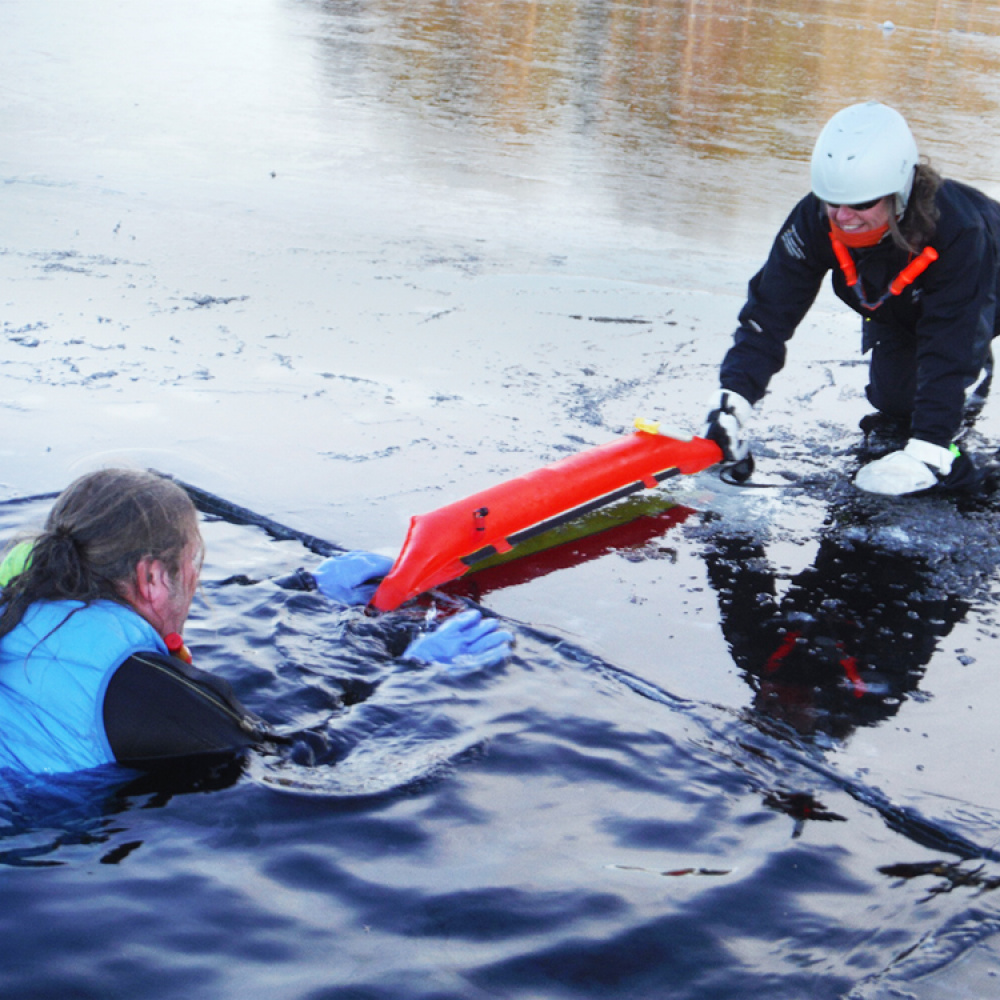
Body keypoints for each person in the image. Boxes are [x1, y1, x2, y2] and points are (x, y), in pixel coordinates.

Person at [0, 469, 512, 775]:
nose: (196, 586)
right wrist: (419, 676)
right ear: (153, 577)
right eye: (192, 565)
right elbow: (292, 765)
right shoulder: (140, 686)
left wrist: (305, 587)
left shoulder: (17, 592)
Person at [703, 101, 1000, 496]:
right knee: (894, 402)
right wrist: (733, 400)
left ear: (899, 192)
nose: (843, 216)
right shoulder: (814, 219)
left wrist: (931, 449)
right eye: (832, 201)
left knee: (939, 417)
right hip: (901, 305)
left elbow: (952, 340)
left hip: (979, 294)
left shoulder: (960, 231)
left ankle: (975, 412)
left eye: (862, 204)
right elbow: (769, 313)